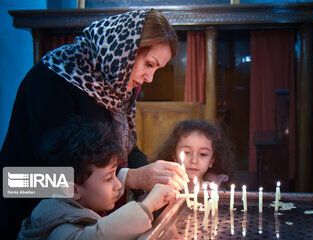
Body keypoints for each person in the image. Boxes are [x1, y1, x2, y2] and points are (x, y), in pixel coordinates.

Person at [0, 9, 188, 238]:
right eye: (149, 64)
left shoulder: (115, 85)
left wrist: (157, 175)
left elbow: (123, 148)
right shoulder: (54, 78)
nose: (150, 78)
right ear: (124, 51)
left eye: (157, 69)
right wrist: (132, 177)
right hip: (36, 214)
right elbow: (48, 178)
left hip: (91, 221)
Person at [17, 120, 176, 240]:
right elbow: (96, 236)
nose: (118, 184)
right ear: (72, 189)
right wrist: (147, 206)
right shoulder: (56, 226)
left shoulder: (77, 208)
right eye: (108, 178)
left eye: (115, 175)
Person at [152, 120, 235, 190]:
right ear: (174, 155)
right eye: (187, 152)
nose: (194, 160)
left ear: (211, 160)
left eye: (203, 154)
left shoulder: (215, 191)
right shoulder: (161, 188)